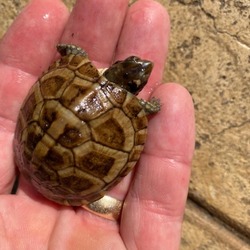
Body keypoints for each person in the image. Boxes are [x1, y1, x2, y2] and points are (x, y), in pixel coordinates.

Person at [0, 0, 195, 249]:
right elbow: (144, 111)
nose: (146, 66)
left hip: (26, 153)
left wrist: (71, 52)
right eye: (137, 67)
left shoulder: (79, 65)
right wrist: (150, 108)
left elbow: (72, 54)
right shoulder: (135, 113)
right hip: (60, 176)